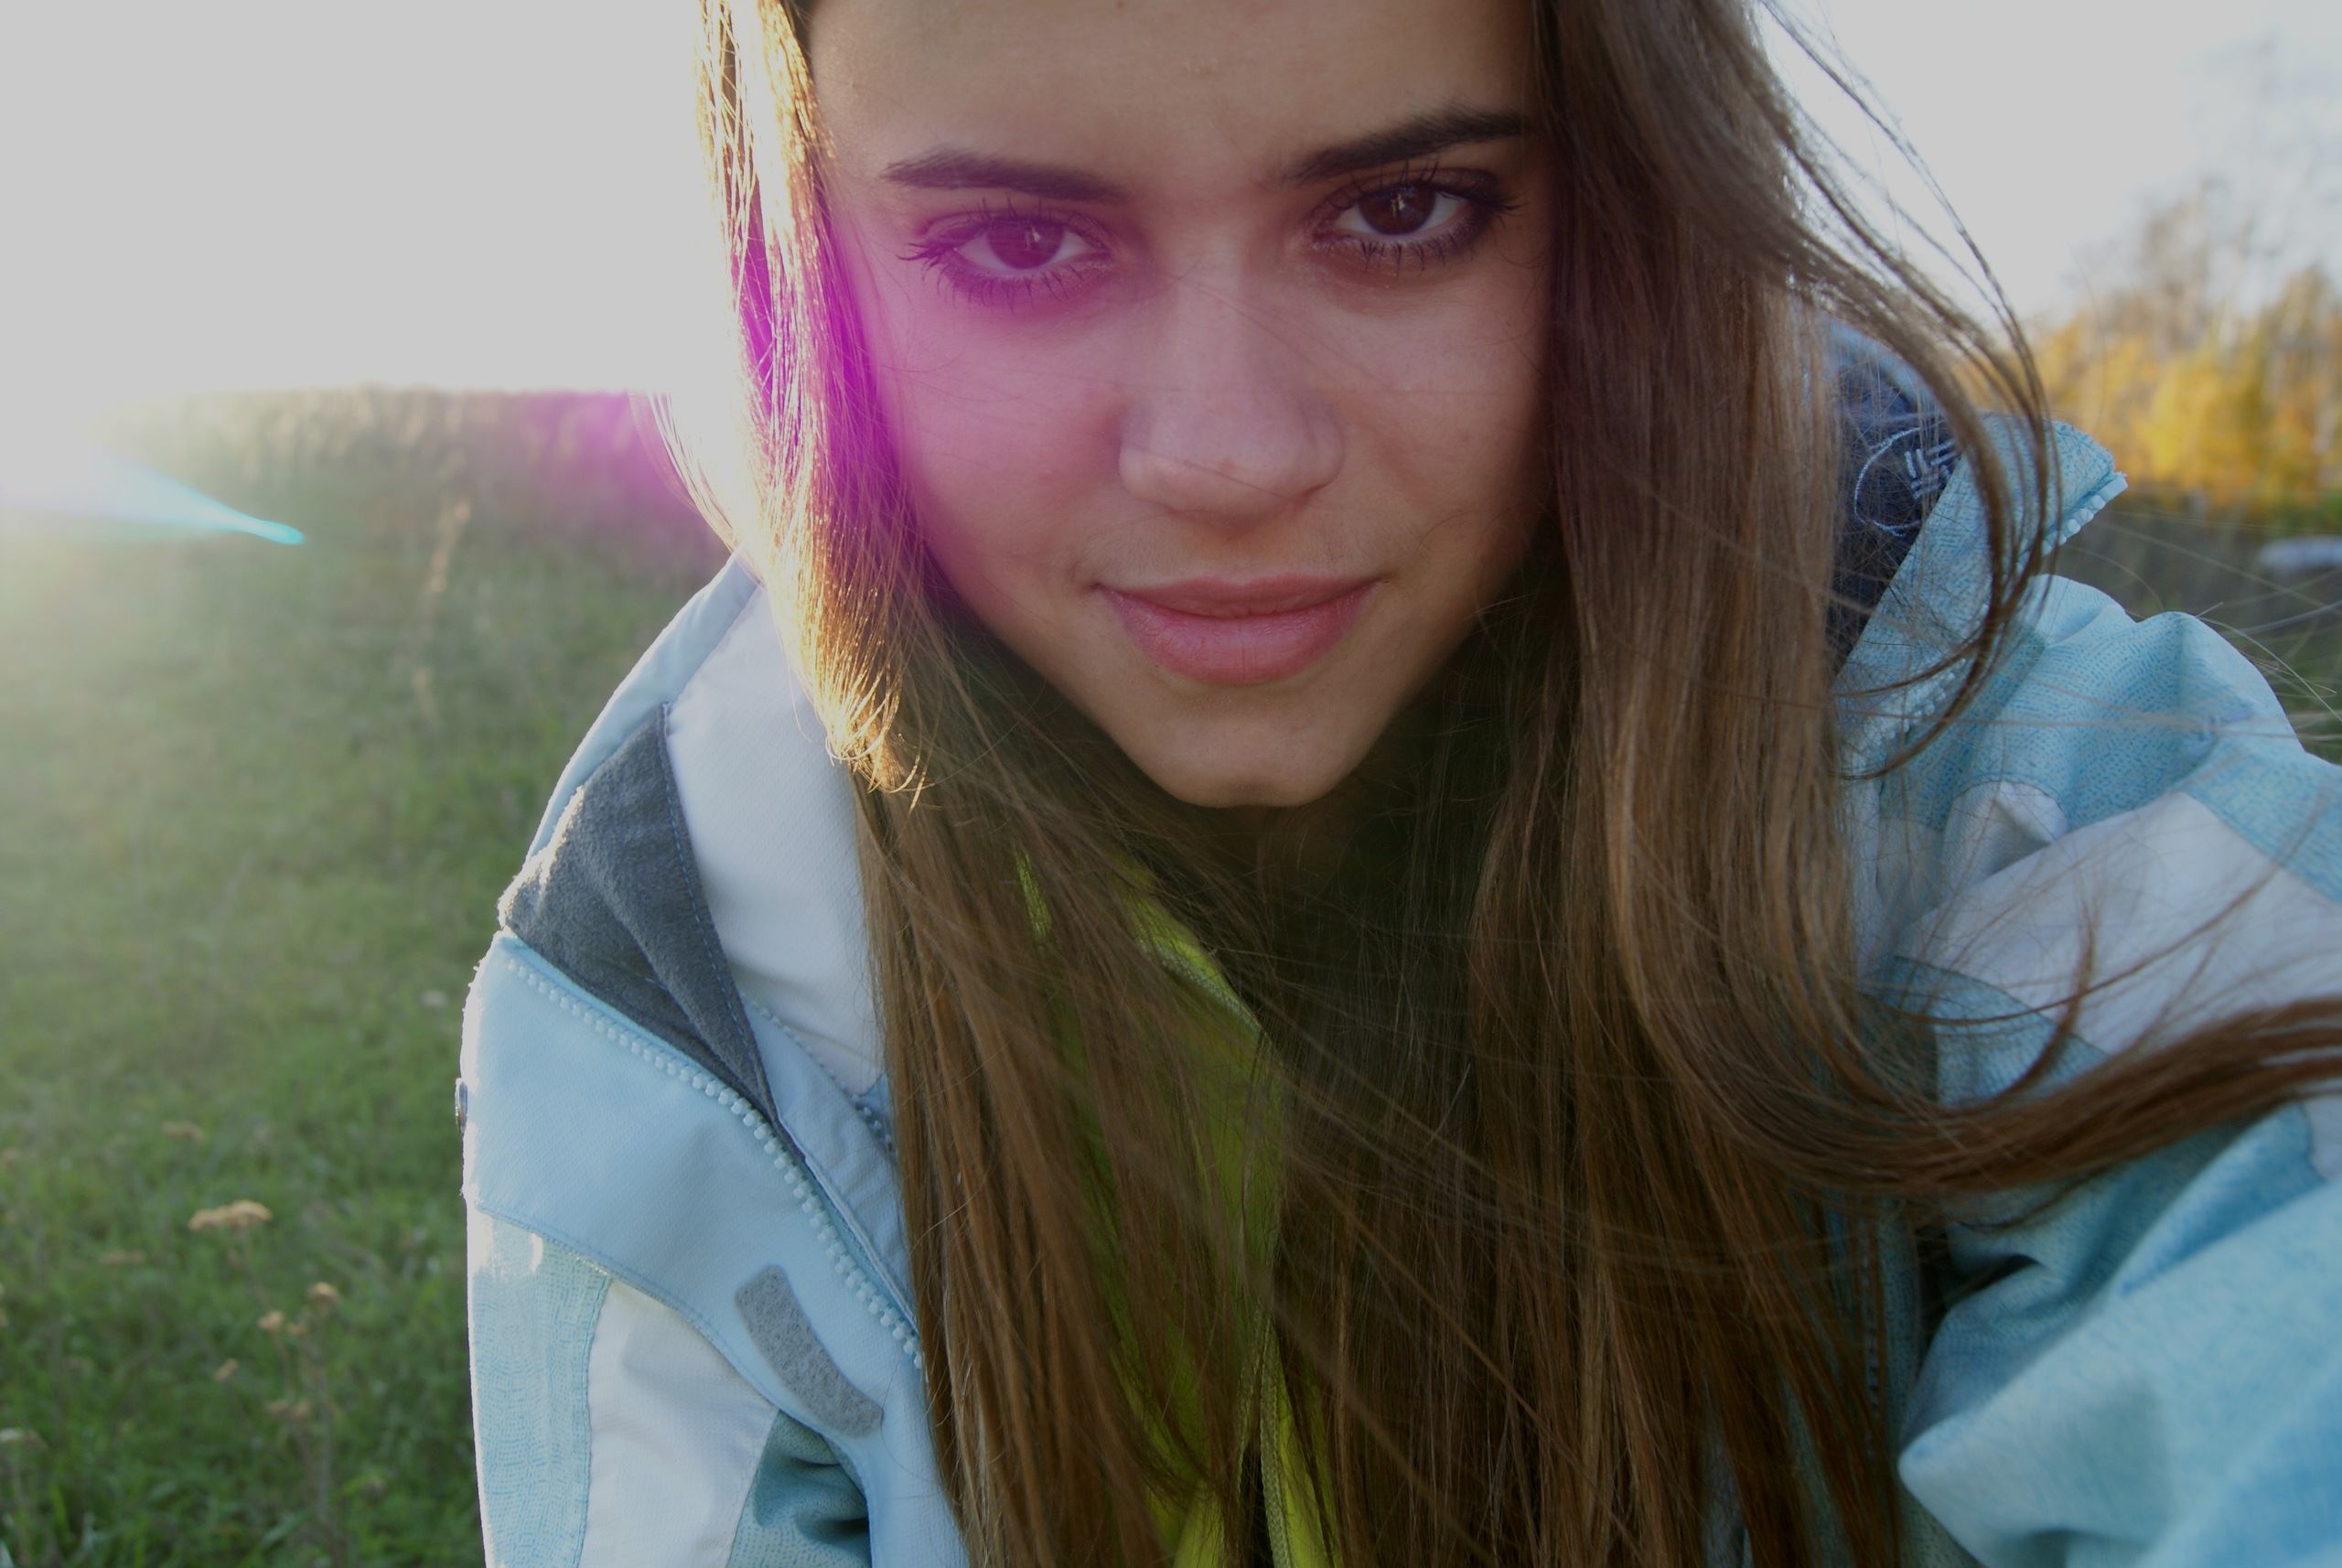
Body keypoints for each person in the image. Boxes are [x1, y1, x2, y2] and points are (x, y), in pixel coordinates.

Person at [457, 0, 2342, 1562]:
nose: (1226, 452)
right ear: (796, 265)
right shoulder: (686, 987)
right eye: (1018, 244)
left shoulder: (2023, 798)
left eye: (1402, 211)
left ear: (1630, 213)